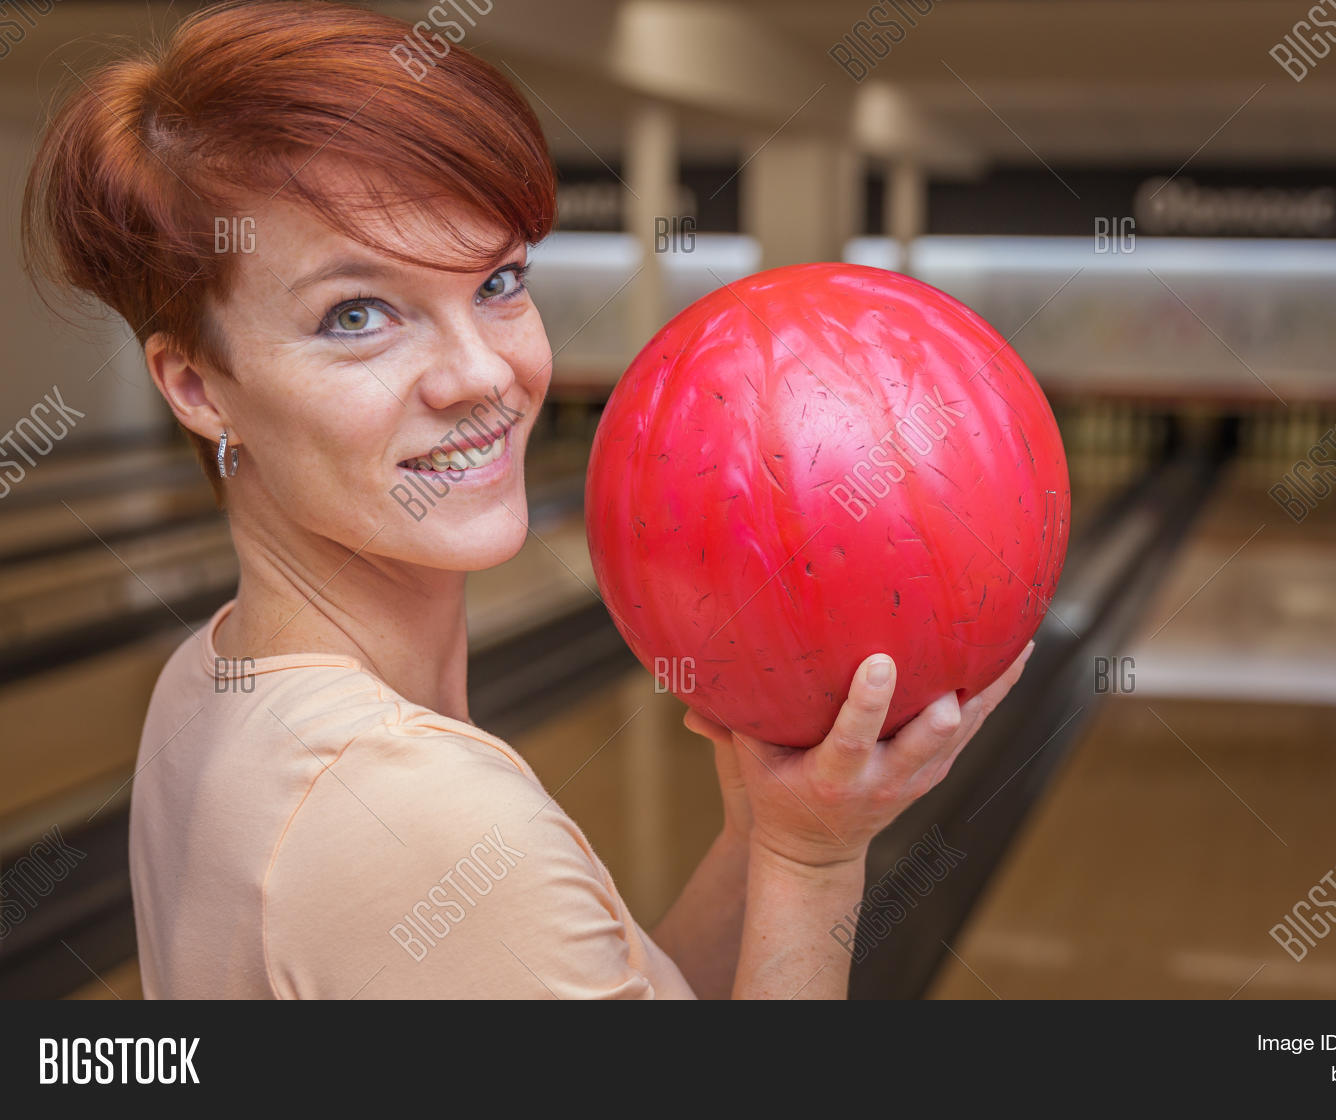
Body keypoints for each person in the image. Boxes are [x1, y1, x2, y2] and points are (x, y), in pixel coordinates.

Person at [22, 0, 1030, 999]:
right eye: (357, 314)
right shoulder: (422, 821)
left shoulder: (211, 676)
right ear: (197, 384)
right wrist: (816, 869)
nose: (481, 375)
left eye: (498, 281)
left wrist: (767, 835)